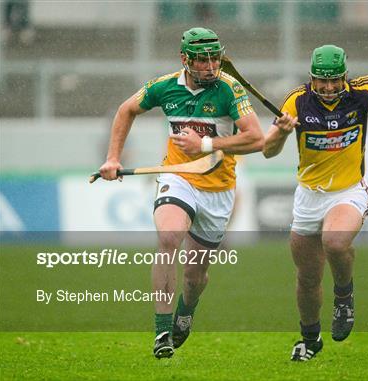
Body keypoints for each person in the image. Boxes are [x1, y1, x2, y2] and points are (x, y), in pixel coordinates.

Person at [263, 45, 368, 361]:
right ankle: (310, 339)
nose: (328, 88)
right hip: (308, 196)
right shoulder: (296, 102)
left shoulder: (363, 92)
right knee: (307, 278)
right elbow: (267, 151)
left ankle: (344, 294)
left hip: (349, 191)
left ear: (345, 75)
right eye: (321, 81)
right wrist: (280, 133)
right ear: (311, 78)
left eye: (334, 80)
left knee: (335, 240)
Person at [98, 27, 264, 359]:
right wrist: (113, 157)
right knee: (169, 237)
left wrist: (206, 144)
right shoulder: (163, 87)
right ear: (184, 59)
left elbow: (256, 139)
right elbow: (125, 110)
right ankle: (162, 329)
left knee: (195, 274)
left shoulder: (229, 90)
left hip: (218, 190)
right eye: (201, 60)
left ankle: (186, 309)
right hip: (178, 177)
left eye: (214, 58)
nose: (210, 66)